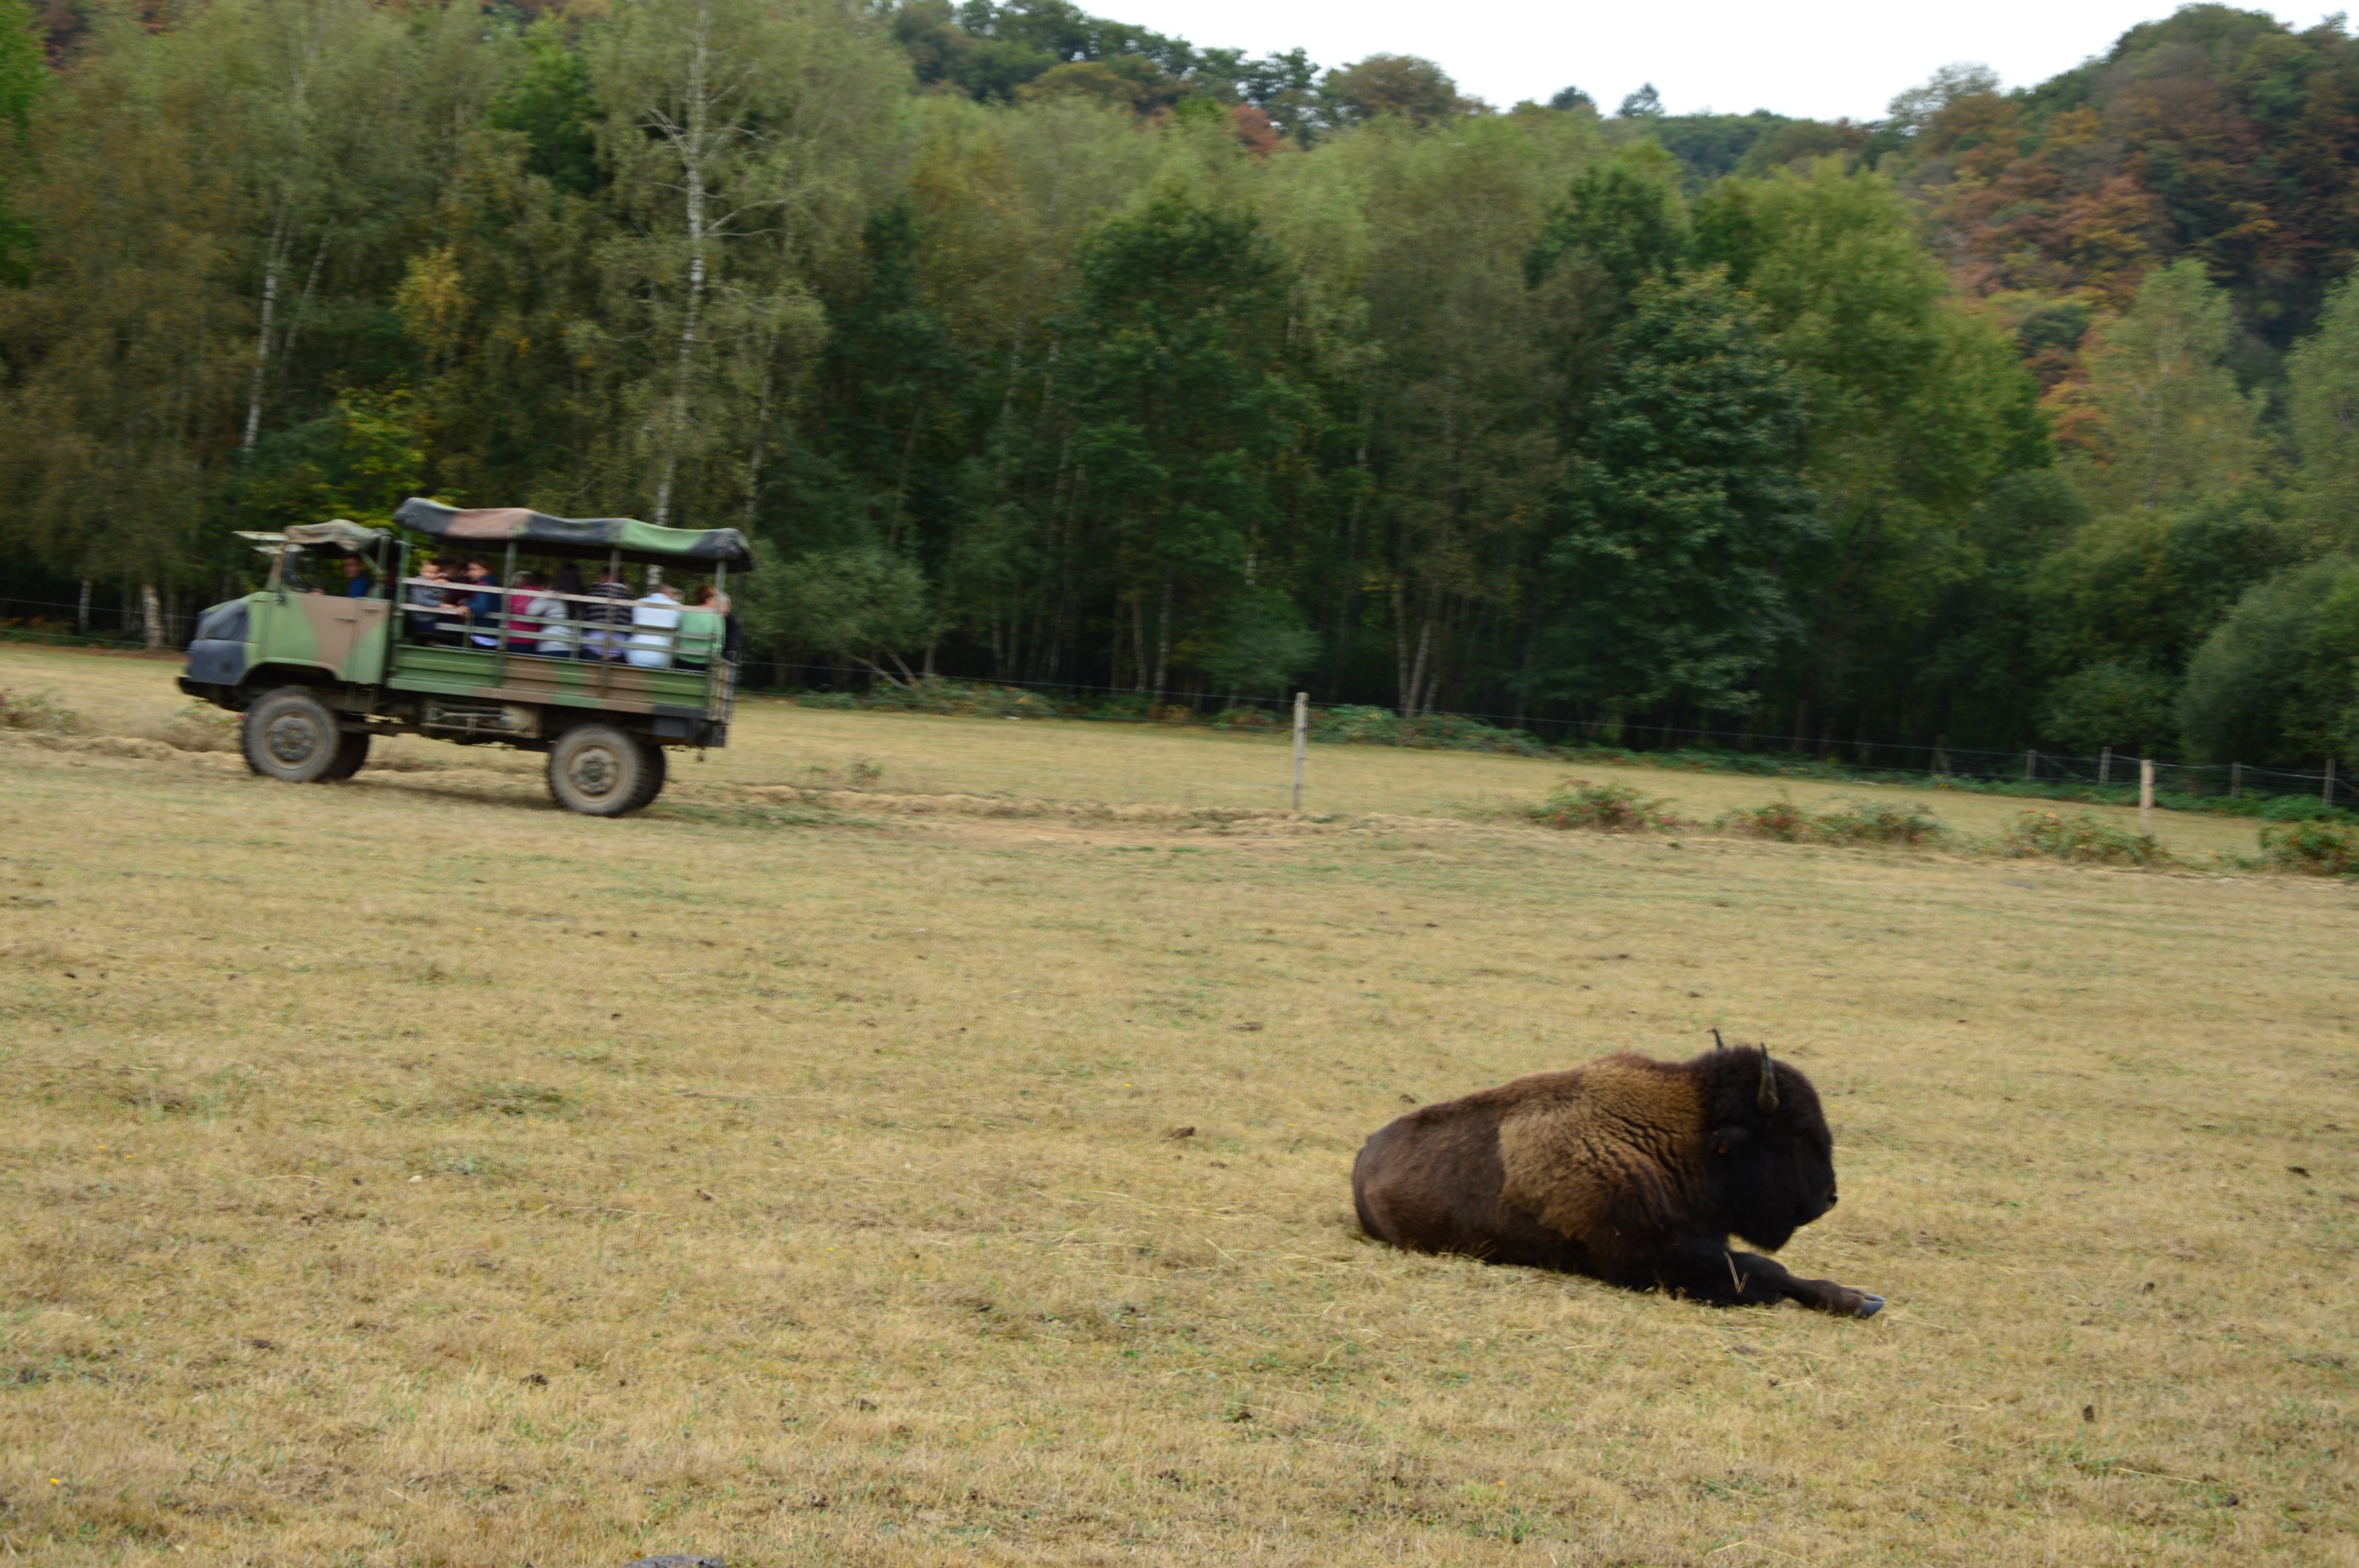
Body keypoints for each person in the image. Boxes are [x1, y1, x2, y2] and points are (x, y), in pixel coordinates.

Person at [627, 578, 683, 669]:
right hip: (661, 657)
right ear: (668, 594)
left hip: (635, 655)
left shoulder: (639, 602)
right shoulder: (676, 606)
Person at [581, 563, 632, 661]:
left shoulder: (593, 594)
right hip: (619, 652)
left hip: (593, 649)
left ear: (604, 577)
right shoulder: (628, 598)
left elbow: (585, 618)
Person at [677, 583, 725, 670]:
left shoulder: (685, 613)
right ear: (710, 599)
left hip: (683, 659)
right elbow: (720, 641)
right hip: (706, 662)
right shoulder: (717, 617)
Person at [456, 557, 502, 650]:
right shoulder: (491, 584)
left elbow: (481, 608)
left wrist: (466, 603)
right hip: (490, 633)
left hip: (482, 635)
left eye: (474, 569)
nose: (470, 573)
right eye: (469, 570)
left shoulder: (484, 586)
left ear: (487, 570)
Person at [526, 574, 576, 658]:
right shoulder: (573, 598)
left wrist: (543, 594)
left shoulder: (550, 595)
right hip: (570, 646)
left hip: (551, 645)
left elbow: (531, 611)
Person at [405, 557, 452, 642]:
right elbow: (421, 600)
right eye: (428, 572)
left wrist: (443, 586)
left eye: (435, 573)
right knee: (452, 629)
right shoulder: (418, 582)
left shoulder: (436, 582)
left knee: (455, 626)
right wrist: (440, 604)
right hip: (421, 620)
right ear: (421, 571)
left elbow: (445, 597)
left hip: (435, 617)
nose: (431, 575)